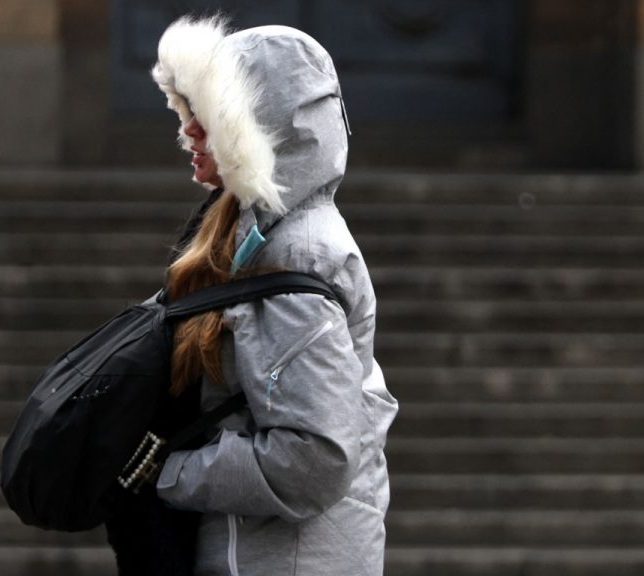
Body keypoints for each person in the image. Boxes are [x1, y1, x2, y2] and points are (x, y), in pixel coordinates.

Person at [133, 15, 398, 576]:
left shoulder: (299, 252)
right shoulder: (258, 234)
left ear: (258, 128)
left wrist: (168, 473)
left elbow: (313, 459)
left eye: (206, 117)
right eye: (187, 115)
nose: (189, 133)